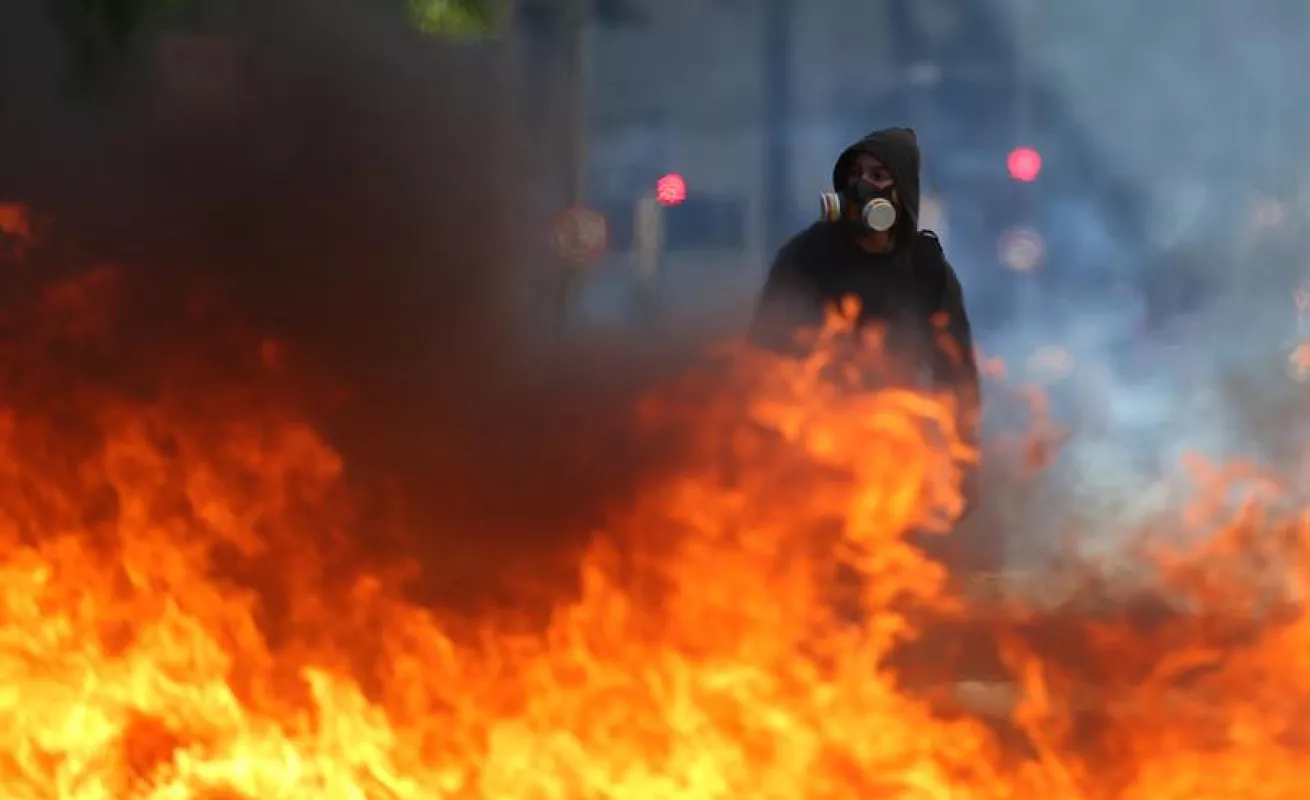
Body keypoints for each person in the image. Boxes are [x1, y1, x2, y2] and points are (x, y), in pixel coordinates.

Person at [751, 126, 980, 446]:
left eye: (878, 176)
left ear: (902, 191)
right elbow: (763, 350)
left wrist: (960, 449)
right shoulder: (807, 256)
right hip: (814, 433)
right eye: (856, 174)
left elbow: (956, 372)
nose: (862, 186)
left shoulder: (925, 268)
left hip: (898, 439)